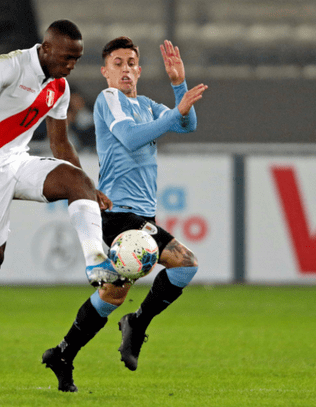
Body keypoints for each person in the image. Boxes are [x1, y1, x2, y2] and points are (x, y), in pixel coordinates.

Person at [0, 20, 122, 395]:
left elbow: (60, 145)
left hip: (16, 161)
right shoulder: (11, 65)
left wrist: (89, 187)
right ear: (46, 49)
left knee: (77, 181)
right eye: (66, 57)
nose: (71, 65)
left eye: (76, 60)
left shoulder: (59, 87)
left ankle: (96, 259)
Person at [42, 37, 208, 392]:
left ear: (139, 70)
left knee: (113, 294)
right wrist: (175, 113)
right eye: (118, 63)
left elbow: (187, 124)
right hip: (118, 214)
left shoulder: (146, 105)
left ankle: (63, 354)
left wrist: (178, 84)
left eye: (132, 63)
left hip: (138, 214)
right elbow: (131, 139)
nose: (126, 69)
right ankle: (137, 323)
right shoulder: (109, 100)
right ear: (105, 72)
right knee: (186, 262)